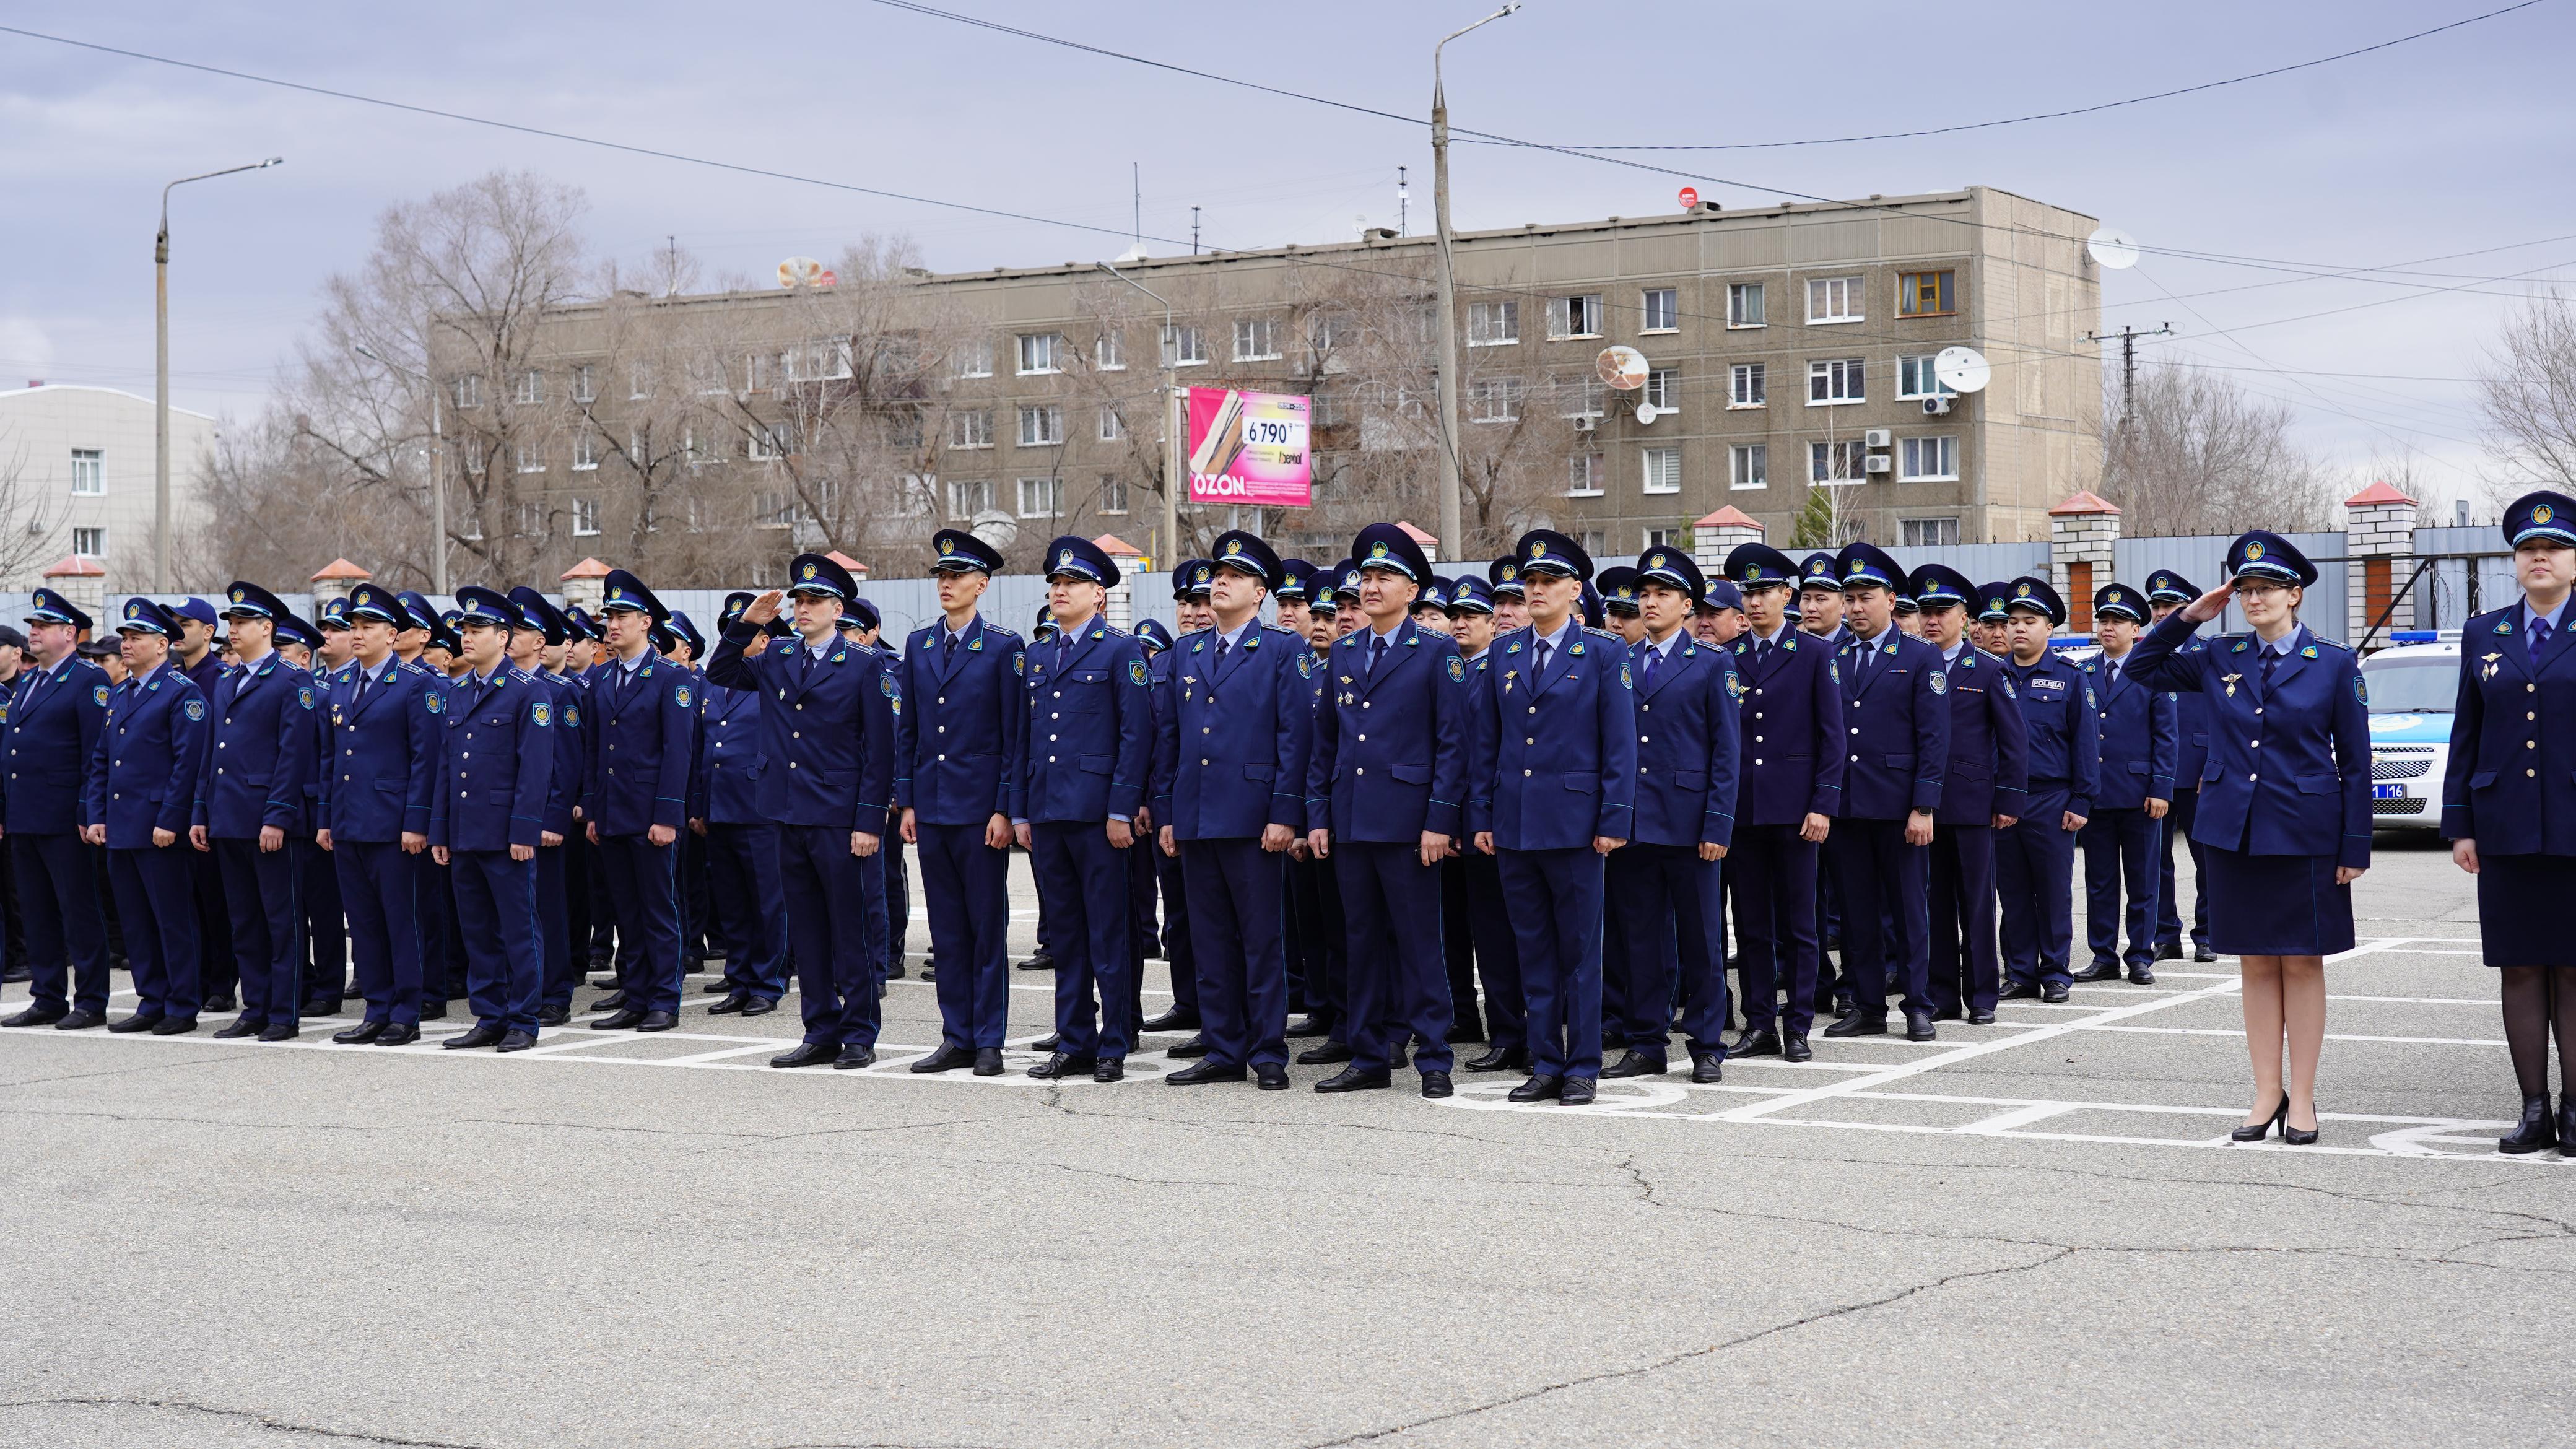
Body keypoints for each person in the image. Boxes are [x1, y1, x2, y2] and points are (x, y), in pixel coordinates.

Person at [2128, 531, 2368, 1146]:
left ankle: (2302, 1097)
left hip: (2306, 833)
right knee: (2256, 963)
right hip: (2233, 832)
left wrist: (2354, 846)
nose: (2254, 599)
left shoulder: (2333, 662)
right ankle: (2266, 1091)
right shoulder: (2218, 654)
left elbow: (2355, 763)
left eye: (2266, 588)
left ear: (2294, 594)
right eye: (2245, 590)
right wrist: (2189, 616)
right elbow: (2139, 667)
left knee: (2303, 962)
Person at [708, 554, 897, 1069]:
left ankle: (859, 1032)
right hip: (785, 811)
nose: (803, 608)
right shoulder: (778, 655)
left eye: (815, 601)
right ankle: (820, 1030)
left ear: (838, 610)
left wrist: (869, 821)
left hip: (839, 816)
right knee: (808, 929)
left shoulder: (864, 664)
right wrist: (748, 623)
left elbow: (880, 750)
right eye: (799, 601)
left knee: (850, 929)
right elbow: (721, 671)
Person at [1469, 529, 1634, 1105]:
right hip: (1515, 822)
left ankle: (1582, 1064)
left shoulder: (1603, 652)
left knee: (1580, 953)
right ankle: (1545, 1062)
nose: (1535, 591)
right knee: (1533, 950)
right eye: (1530, 582)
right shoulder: (1505, 652)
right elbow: (1487, 742)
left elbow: (1620, 744)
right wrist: (1483, 814)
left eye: (1548, 582)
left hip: (1576, 824)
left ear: (1574, 590)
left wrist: (1613, 819)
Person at [1308, 523, 1468, 1097]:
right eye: (1367, 577)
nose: (1371, 587)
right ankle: (1369, 1054)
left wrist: (1439, 821)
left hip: (1409, 824)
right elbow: (1326, 742)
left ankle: (1435, 1057)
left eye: (1385, 578)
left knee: (1420, 942)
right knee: (1362, 942)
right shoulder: (1345, 650)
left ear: (1412, 590)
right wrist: (1319, 814)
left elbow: (1453, 744)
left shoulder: (1436, 652)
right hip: (1353, 820)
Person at [1155, 530, 1310, 1091]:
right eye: (1218, 574)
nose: (1220, 583)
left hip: (1253, 817)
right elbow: (1170, 739)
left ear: (1260, 592)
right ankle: (1222, 1047)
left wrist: (1285, 814)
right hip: (1197, 816)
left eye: (1235, 576)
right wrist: (1167, 813)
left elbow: (1295, 736)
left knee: (1261, 939)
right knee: (1210, 938)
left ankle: (1267, 1050)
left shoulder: (1282, 649)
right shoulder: (1187, 651)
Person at [2445, 489, 2576, 1152]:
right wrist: (2460, 824)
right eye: (2528, 549)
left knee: (2574, 969)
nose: (2539, 558)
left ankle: (2575, 1110)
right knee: (2519, 968)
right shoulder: (2484, 633)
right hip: (2504, 826)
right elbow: (2466, 731)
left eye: (2552, 548)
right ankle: (2533, 1111)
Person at [1012, 536, 1151, 1082]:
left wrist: (1122, 809)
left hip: (1097, 816)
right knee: (1066, 937)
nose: (1059, 590)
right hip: (1048, 812)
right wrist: (1020, 811)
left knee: (1108, 934)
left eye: (1071, 583)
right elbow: (1025, 739)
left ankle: (1114, 1041)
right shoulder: (1039, 654)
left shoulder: (1120, 650)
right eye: (1055, 583)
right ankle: (1074, 1040)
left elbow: (1136, 736)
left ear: (1098, 595)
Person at [1603, 547, 1739, 1082]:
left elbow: (1725, 751)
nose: (1650, 602)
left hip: (1690, 824)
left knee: (1701, 939)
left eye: (1663, 593)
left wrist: (1718, 823)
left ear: (1687, 605)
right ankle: (1646, 1042)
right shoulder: (1620, 660)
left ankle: (1707, 1044)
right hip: (1635, 823)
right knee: (1640, 940)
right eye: (1645, 594)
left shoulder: (1711, 663)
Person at [894, 530, 1024, 1076]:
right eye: (941, 577)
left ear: (982, 585)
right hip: (933, 805)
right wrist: (907, 802)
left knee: (986, 927)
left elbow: (1015, 734)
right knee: (947, 931)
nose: (946, 585)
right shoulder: (919, 644)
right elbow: (909, 729)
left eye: (957, 576)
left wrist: (1004, 807)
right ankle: (957, 1035)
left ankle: (989, 1039)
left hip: (979, 809)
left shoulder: (1003, 647)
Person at [1721, 544, 1843, 1064]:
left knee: (1799, 926)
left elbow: (1833, 736)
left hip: (1796, 811)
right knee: (1752, 926)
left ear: (1786, 595)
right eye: (1747, 593)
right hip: (1744, 811)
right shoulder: (1727, 656)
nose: (1754, 602)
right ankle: (1759, 1024)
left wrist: (1822, 804)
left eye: (1764, 592)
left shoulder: (1814, 653)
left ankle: (1798, 1025)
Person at [1824, 542, 1949, 1043]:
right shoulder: (1833, 656)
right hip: (1848, 807)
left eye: (1866, 597)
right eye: (1850, 598)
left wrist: (1924, 806)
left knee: (1908, 912)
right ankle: (1868, 1005)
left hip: (1900, 808)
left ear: (1891, 600)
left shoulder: (1919, 656)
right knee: (1857, 914)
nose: (1856, 608)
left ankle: (1918, 1005)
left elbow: (1934, 736)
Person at [427, 588, 554, 1051]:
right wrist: (440, 830)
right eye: (464, 629)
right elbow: (446, 768)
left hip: (505, 834)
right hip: (465, 831)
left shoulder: (527, 690)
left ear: (503, 637)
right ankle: (490, 1015)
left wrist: (525, 829)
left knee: (518, 929)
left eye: (477, 630)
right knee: (477, 930)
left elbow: (535, 768)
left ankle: (523, 1018)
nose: (467, 637)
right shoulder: (459, 691)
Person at [314, 583, 438, 1046]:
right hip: (349, 821)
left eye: (369, 626)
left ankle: (406, 1013)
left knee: (401, 921)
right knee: (364, 923)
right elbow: (331, 757)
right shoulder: (341, 682)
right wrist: (326, 818)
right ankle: (377, 1008)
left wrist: (416, 822)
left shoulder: (414, 683)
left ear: (392, 635)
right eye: (355, 626)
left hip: (392, 823)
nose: (358, 633)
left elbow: (426, 758)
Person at [193, 583, 316, 1041]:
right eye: (231, 622)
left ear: (267, 628)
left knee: (281, 921)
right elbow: (212, 753)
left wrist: (278, 815)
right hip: (229, 816)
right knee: (244, 920)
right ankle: (255, 1008)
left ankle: (283, 1013)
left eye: (242, 622)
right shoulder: (228, 680)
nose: (234, 629)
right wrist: (201, 811)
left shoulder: (291, 679)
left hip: (267, 819)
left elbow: (294, 753)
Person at [1910, 565, 2027, 1025]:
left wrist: (2009, 800)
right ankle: (1942, 994)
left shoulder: (1988, 669)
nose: (1932, 620)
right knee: (1934, 904)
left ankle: (1981, 995)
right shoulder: (1912, 664)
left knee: (1976, 904)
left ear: (1965, 619)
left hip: (1972, 802)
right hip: (1921, 805)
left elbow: (2014, 741)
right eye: (1926, 612)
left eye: (1942, 612)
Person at [85, 598, 208, 1035]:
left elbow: (188, 764)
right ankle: (152, 999)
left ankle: (182, 1004)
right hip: (123, 825)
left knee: (172, 919)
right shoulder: (121, 693)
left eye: (136, 637)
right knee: (136, 921)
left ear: (162, 645)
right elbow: (103, 760)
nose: (127, 644)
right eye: (125, 637)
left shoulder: (180, 692)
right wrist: (97, 814)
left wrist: (171, 819)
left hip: (158, 826)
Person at [583, 570, 697, 1034]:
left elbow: (678, 751)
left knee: (657, 910)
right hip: (614, 812)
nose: (612, 625)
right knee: (626, 911)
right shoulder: (601, 677)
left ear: (646, 622)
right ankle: (635, 995)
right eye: (609, 617)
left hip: (652, 814)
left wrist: (668, 815)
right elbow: (594, 749)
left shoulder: (671, 677)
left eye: (622, 617)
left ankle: (664, 1000)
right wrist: (593, 811)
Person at [0, 590, 112, 1031]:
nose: (33, 632)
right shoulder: (31, 682)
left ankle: (91, 1000)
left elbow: (95, 753)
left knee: (78, 909)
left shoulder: (88, 680)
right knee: (37, 910)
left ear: (69, 633)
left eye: (43, 626)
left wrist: (88, 809)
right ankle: (48, 996)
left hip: (66, 817)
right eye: (32, 625)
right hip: (26, 814)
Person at [1993, 578, 2096, 1006]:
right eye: (2013, 621)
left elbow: (2085, 743)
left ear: (2049, 628)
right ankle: (2020, 972)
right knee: (2013, 891)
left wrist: (2082, 799)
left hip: (2051, 799)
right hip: (2003, 801)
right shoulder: (1994, 674)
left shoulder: (2070, 677)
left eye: (2029, 621)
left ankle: (2055, 972)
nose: (2019, 628)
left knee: (2052, 891)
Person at [692, 592, 787, 1020]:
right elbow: (702, 747)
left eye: (745, 632)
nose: (733, 639)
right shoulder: (713, 683)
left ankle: (768, 983)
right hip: (719, 805)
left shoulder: (773, 677)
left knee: (766, 901)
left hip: (759, 806)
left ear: (765, 640)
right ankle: (740, 980)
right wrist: (699, 803)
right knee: (732, 902)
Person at [2076, 584, 2176, 986]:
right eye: (2103, 620)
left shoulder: (2153, 671)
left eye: (2118, 621)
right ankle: (2103, 955)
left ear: (2136, 630)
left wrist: (2162, 788)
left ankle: (2139, 955)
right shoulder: (2083, 672)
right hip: (2096, 794)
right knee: (2099, 881)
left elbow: (2167, 735)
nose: (2108, 627)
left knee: (2143, 880)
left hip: (2140, 794)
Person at [506, 588, 588, 1025]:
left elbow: (566, 764)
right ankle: (520, 989)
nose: (509, 637)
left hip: (543, 825)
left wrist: (555, 819)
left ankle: (556, 992)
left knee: (548, 909)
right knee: (513, 913)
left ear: (540, 641)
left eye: (518, 631)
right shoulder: (500, 688)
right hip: (504, 821)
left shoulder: (560, 691)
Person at [1138, 565, 1206, 1047]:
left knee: (1219, 918)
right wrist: (1151, 804)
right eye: (1186, 603)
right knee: (1179, 912)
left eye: (1202, 602)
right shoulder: (1161, 664)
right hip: (1171, 809)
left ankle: (1226, 1009)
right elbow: (1151, 742)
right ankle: (1188, 1001)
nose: (1195, 612)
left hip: (1219, 808)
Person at [2144, 570, 2217, 963]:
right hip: (2155, 775)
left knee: (2206, 859)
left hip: (2198, 772)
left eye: (2169, 606)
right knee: (2155, 861)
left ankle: (2207, 933)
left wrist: (2215, 766)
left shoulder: (2208, 655)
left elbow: (2227, 717)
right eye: (2156, 607)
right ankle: (2165, 934)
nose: (2160, 613)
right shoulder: (2145, 655)